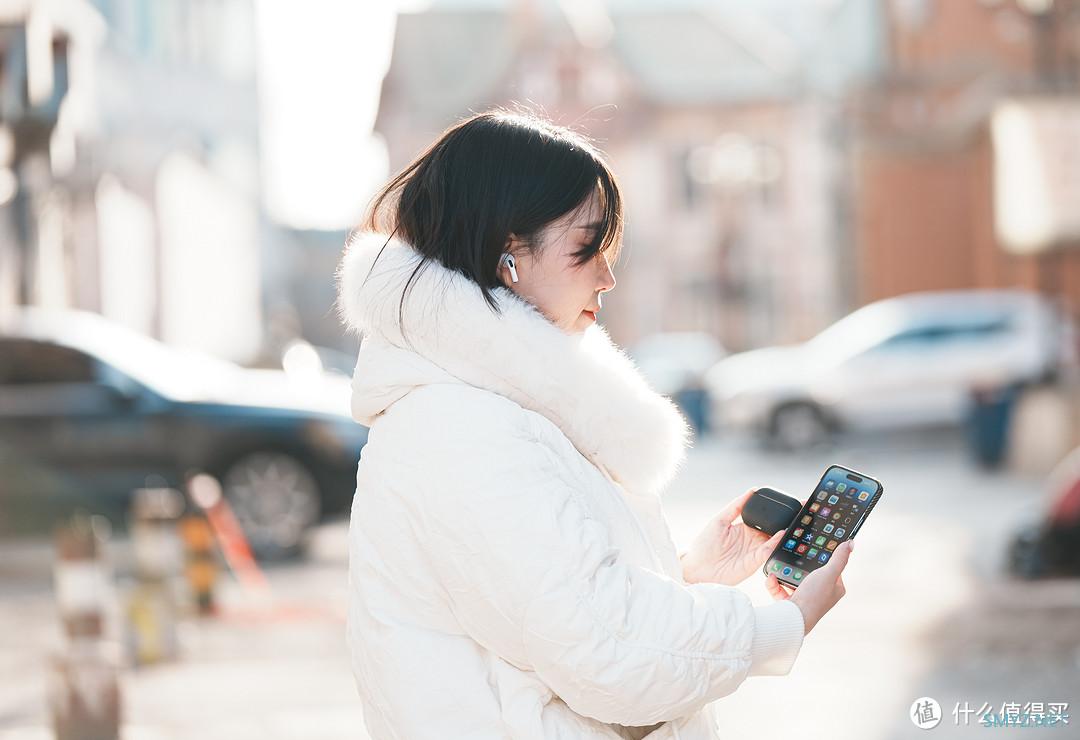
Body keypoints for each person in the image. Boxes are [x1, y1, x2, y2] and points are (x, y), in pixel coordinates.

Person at [336, 110, 853, 740]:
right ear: (508, 253)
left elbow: (551, 607)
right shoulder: (460, 423)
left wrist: (687, 575)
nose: (608, 278)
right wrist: (783, 622)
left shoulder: (499, 401)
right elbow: (605, 649)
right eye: (587, 249)